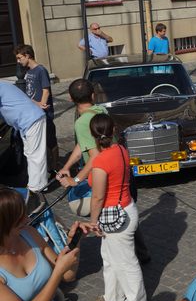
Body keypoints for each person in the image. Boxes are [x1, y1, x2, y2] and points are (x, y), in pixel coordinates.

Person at [56, 80, 151, 265]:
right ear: (93, 95)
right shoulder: (100, 111)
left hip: (105, 175)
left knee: (110, 216)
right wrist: (67, 166)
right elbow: (84, 144)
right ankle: (141, 253)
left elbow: (94, 156)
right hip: (120, 170)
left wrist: (75, 180)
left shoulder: (81, 122)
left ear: (70, 99)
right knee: (125, 208)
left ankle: (124, 259)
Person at [87, 114, 147, 301]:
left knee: (125, 261)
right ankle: (113, 295)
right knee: (109, 258)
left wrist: (93, 222)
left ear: (93, 135)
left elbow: (97, 197)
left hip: (114, 216)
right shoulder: (121, 150)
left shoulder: (100, 162)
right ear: (113, 130)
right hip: (126, 208)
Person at [0, 82, 47, 212]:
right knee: (30, 154)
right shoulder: (3, 85)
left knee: (35, 156)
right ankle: (35, 186)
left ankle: (35, 191)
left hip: (30, 119)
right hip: (25, 121)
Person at [15, 44, 58, 170]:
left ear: (27, 56)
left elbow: (46, 91)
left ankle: (55, 167)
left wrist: (41, 107)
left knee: (50, 141)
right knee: (41, 142)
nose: (18, 61)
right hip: (34, 112)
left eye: (19, 58)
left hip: (43, 114)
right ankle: (47, 166)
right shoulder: (28, 71)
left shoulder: (40, 70)